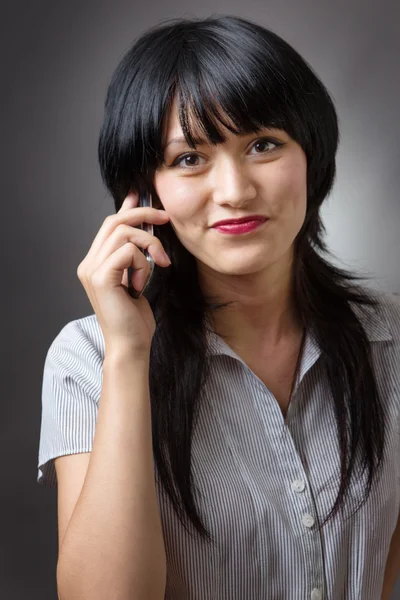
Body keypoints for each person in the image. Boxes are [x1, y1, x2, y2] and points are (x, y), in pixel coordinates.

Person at [37, 14, 400, 600]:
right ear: (145, 190)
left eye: (264, 144)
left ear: (313, 154)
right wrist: (129, 355)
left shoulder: (392, 341)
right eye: (189, 159)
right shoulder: (87, 357)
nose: (234, 189)